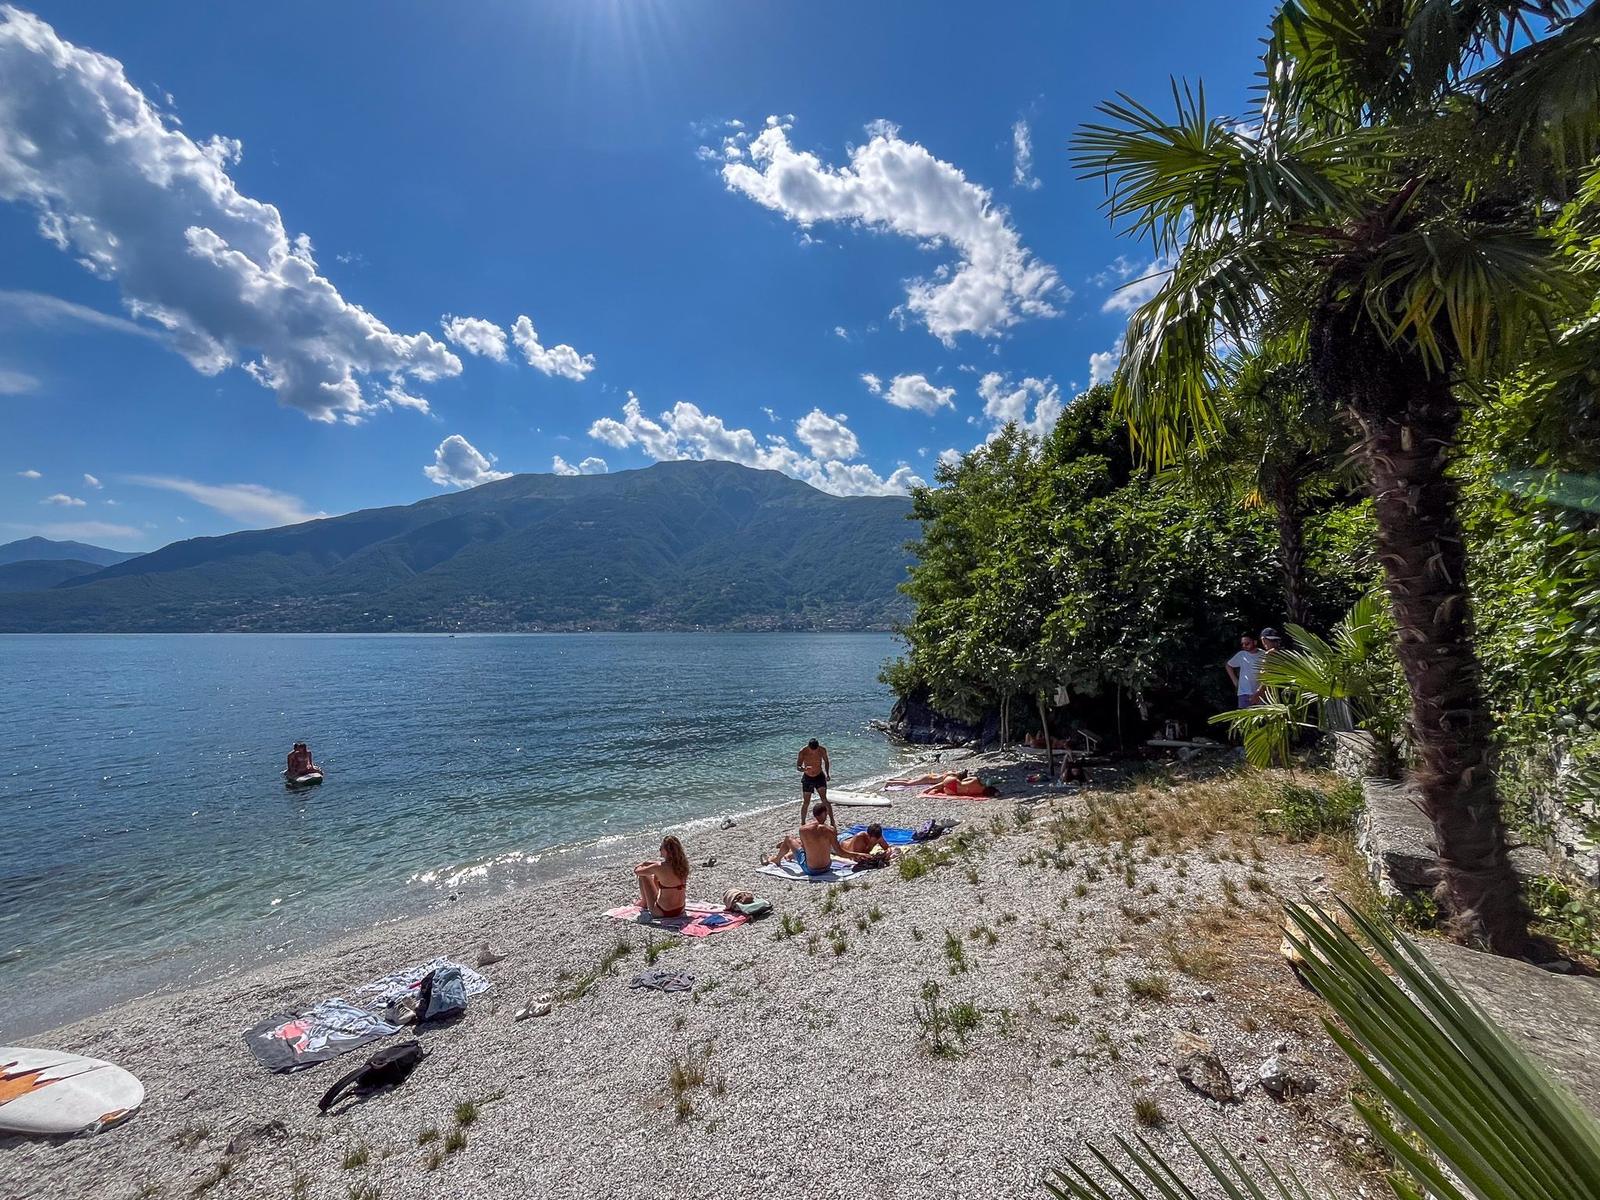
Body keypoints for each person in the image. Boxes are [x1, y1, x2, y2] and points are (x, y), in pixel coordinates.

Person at [764, 800, 844, 877]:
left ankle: (777, 860)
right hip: (827, 867)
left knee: (789, 839)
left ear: (814, 814)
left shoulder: (804, 829)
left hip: (811, 870)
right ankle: (789, 854)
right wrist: (853, 855)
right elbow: (839, 851)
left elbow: (804, 847)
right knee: (804, 843)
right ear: (825, 813)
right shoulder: (830, 830)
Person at [634, 835, 690, 919]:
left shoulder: (659, 867)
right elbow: (662, 865)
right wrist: (647, 863)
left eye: (661, 847)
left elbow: (637, 871)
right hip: (680, 909)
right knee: (657, 876)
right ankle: (650, 900)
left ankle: (644, 902)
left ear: (667, 851)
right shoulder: (683, 865)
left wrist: (640, 865)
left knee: (644, 876)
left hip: (662, 911)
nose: (659, 849)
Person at [796, 738, 832, 825]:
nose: (814, 752)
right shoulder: (803, 751)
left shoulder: (822, 750)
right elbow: (798, 766)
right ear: (808, 747)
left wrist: (827, 774)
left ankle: (832, 821)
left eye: (815, 750)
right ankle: (803, 822)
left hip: (819, 776)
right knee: (806, 802)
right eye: (812, 750)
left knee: (824, 799)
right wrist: (804, 769)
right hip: (808, 777)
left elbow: (826, 762)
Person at [1225, 634, 1265, 708]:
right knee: (1245, 717)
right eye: (1242, 644)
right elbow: (1228, 665)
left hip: (1259, 692)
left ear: (1255, 642)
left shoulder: (1264, 654)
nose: (1244, 646)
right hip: (1244, 692)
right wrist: (1235, 681)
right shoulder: (1241, 655)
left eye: (1247, 643)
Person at [926, 773, 997, 797]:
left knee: (947, 780)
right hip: (952, 792)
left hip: (953, 783)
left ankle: (930, 789)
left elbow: (963, 781)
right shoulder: (980, 793)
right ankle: (936, 789)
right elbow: (995, 793)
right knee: (943, 788)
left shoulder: (976, 780)